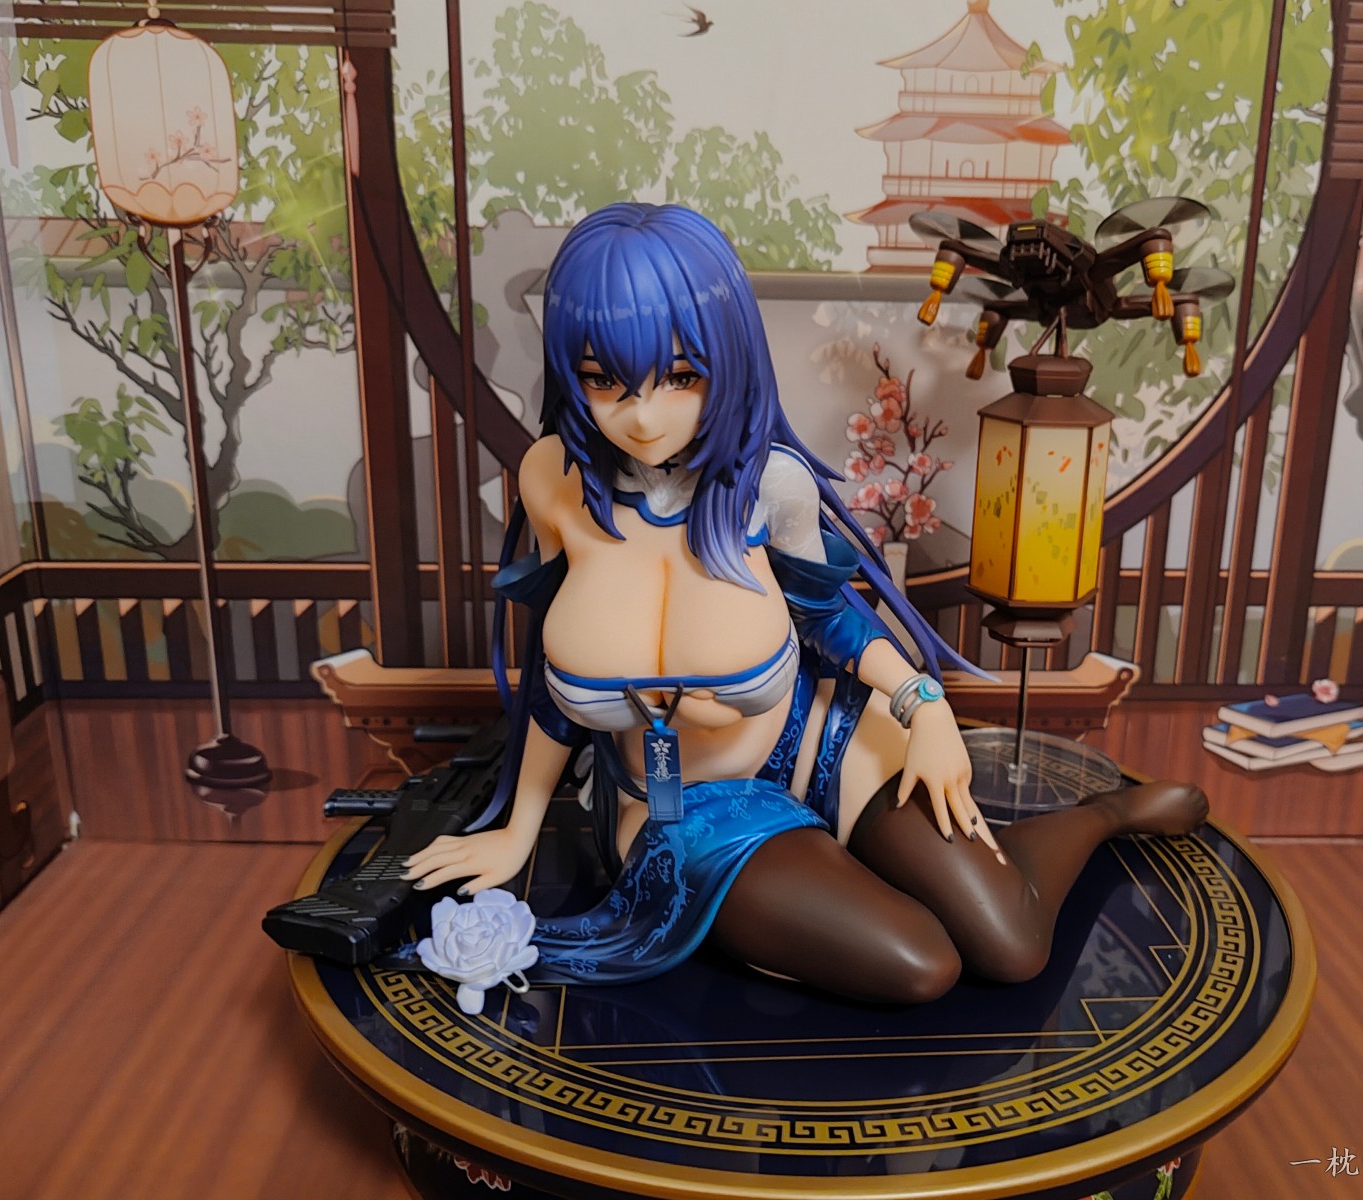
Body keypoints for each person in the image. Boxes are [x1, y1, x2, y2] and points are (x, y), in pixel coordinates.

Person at [404, 203, 1206, 1004]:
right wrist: (519, 826)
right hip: (683, 803)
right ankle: (841, 867)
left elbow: (828, 616)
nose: (643, 416)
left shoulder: (768, 482)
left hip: (824, 736)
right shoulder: (553, 480)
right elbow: (551, 677)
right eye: (603, 380)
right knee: (921, 965)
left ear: (727, 359)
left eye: (680, 377)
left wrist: (924, 707)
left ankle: (1101, 816)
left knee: (1011, 943)